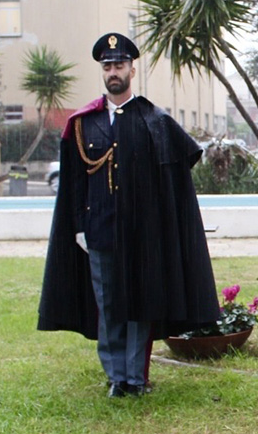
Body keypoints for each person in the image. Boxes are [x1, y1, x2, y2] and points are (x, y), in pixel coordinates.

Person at [37, 32, 220, 397]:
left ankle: (137, 378)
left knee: (141, 304)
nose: (113, 72)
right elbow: (74, 182)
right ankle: (116, 377)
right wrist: (77, 228)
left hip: (144, 234)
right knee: (108, 306)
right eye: (107, 66)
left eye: (119, 65)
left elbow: (180, 168)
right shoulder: (83, 123)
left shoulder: (153, 120)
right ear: (102, 72)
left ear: (132, 70)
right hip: (100, 232)